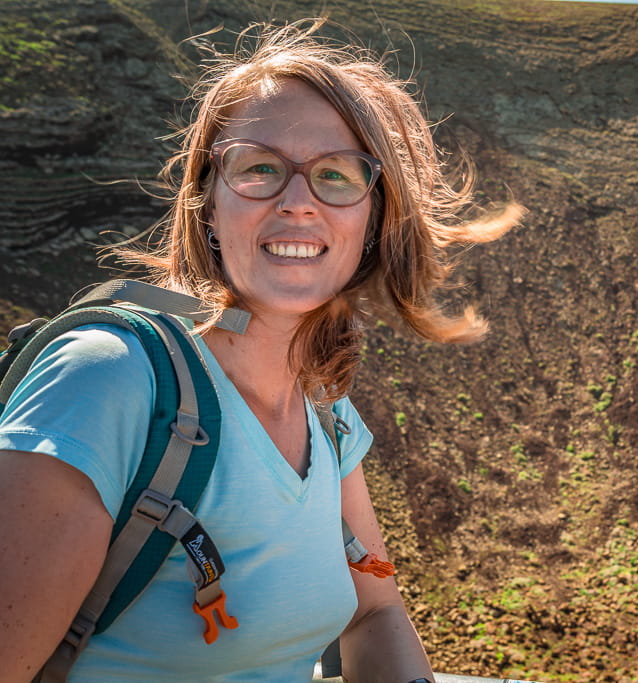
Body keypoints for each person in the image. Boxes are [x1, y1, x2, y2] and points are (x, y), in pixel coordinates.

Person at [0, 20, 520, 682]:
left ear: (370, 219)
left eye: (336, 174)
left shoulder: (325, 411)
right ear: (207, 204)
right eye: (259, 168)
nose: (298, 202)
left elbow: (373, 612)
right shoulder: (108, 379)